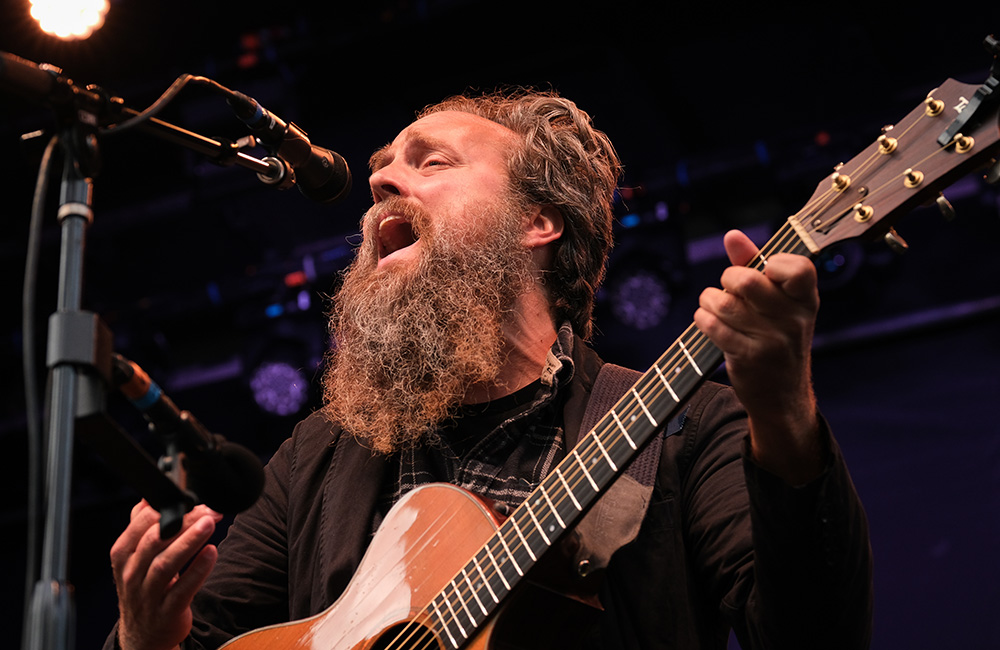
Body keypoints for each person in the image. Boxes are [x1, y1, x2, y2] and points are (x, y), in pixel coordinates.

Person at [105, 89, 873, 650]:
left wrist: (782, 414)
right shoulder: (318, 455)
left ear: (538, 223)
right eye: (382, 167)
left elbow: (815, 636)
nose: (378, 183)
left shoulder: (686, 424)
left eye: (430, 161)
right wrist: (142, 640)